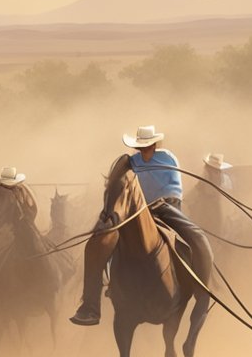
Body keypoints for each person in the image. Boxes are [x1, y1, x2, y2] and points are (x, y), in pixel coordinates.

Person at [69, 126, 213, 325]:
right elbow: (117, 181)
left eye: (147, 147)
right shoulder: (131, 162)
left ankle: (202, 289)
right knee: (99, 243)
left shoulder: (168, 158)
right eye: (140, 147)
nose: (143, 151)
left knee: (196, 236)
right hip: (136, 212)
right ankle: (91, 306)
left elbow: (173, 189)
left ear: (154, 145)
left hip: (166, 207)